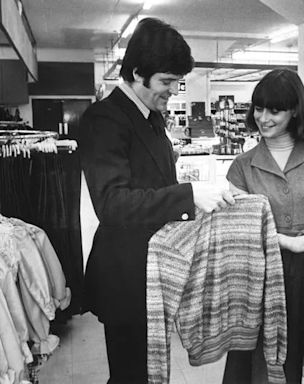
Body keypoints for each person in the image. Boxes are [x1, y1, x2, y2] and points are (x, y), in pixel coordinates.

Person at [78, 18, 234, 384]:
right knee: (131, 373)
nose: (173, 91)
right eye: (166, 82)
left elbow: (152, 180)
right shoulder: (104, 119)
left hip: (156, 268)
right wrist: (188, 194)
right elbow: (112, 203)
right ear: (137, 73)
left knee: (150, 370)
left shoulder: (152, 118)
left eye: (176, 82)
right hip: (127, 275)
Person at [222, 68, 304, 383]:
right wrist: (285, 240)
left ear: (294, 111)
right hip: (262, 272)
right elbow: (240, 226)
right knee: (260, 357)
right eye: (259, 108)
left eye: (274, 110)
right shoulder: (242, 166)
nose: (264, 117)